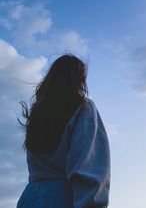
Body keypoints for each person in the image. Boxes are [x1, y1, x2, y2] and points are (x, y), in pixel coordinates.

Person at [16, 53, 111, 208]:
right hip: (63, 199)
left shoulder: (37, 116)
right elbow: (89, 169)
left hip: (29, 199)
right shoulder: (83, 108)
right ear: (78, 79)